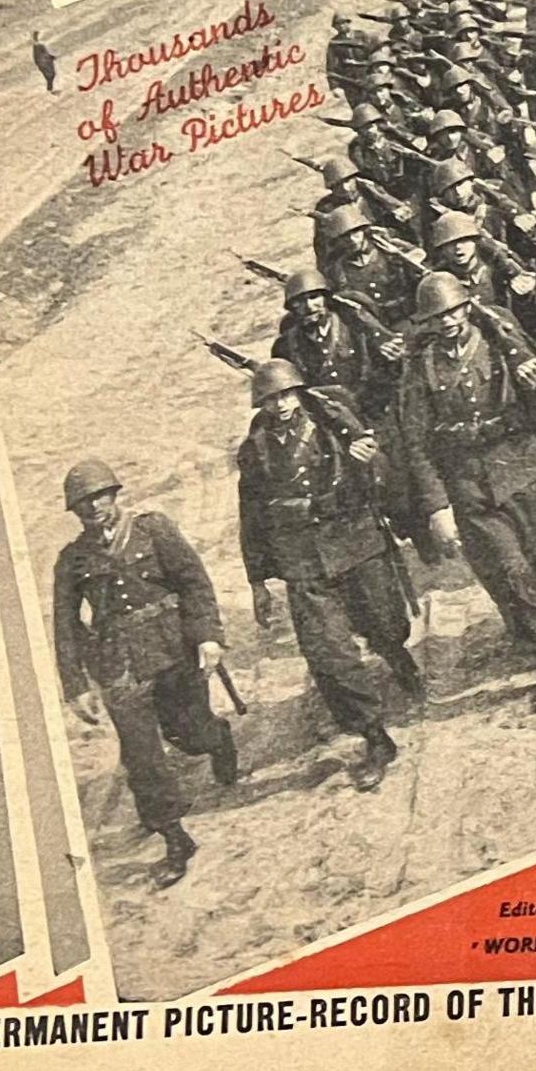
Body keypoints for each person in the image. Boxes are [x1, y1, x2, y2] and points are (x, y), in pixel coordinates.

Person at [399, 270, 536, 714]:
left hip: (520, 462)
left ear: (468, 307)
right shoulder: (421, 368)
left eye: (455, 310)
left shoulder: (502, 343)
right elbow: (416, 443)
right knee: (512, 573)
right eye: (438, 316)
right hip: (469, 483)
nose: (448, 322)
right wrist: (437, 506)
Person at [48, 460, 237, 887]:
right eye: (83, 503)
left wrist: (208, 636)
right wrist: (76, 685)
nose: (94, 507)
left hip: (171, 650)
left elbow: (193, 583)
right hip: (119, 666)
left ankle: (218, 739)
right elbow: (65, 624)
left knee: (189, 734)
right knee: (142, 757)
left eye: (99, 497)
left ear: (115, 494)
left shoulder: (154, 530)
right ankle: (174, 838)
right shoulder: (73, 560)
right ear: (75, 511)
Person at [235, 360, 420, 791]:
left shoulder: (332, 422)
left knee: (385, 622)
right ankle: (374, 737)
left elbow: (379, 471)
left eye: (286, 395)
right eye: (269, 399)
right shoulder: (255, 450)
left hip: (355, 542)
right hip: (303, 561)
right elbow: (252, 517)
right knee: (328, 657)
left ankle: (396, 655)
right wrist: (258, 581)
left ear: (298, 392)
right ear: (259, 404)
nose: (280, 405)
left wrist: (368, 461)